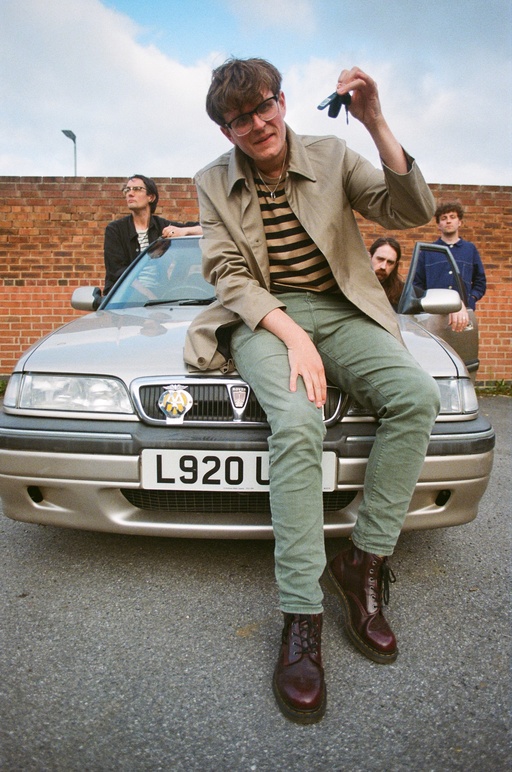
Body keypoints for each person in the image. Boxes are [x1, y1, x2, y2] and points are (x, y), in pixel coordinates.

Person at [184, 58, 440, 724]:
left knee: (418, 397)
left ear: (283, 100)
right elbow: (227, 273)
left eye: (262, 107)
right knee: (298, 423)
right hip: (265, 316)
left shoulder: (331, 152)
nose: (254, 125)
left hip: (344, 311)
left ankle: (364, 561)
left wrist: (376, 120)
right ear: (226, 128)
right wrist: (291, 334)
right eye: (236, 119)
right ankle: (303, 616)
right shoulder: (213, 181)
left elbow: (411, 210)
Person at [103, 174, 202, 295]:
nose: (130, 193)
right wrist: (150, 297)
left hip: (160, 296)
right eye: (127, 189)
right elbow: (118, 272)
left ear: (151, 197)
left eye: (137, 189)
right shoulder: (115, 230)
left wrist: (185, 231)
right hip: (125, 297)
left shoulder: (162, 227)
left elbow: (208, 228)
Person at [414, 201, 486, 332]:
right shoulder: (427, 251)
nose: (448, 221)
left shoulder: (470, 250)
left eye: (452, 217)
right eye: (443, 218)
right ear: (438, 225)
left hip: (463, 316)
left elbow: (480, 282)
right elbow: (417, 284)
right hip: (433, 316)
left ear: (459, 222)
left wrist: (468, 301)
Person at [369, 236, 404, 309]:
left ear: (395, 265)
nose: (383, 267)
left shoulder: (403, 294)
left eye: (390, 262)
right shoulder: (351, 286)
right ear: (370, 257)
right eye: (380, 259)